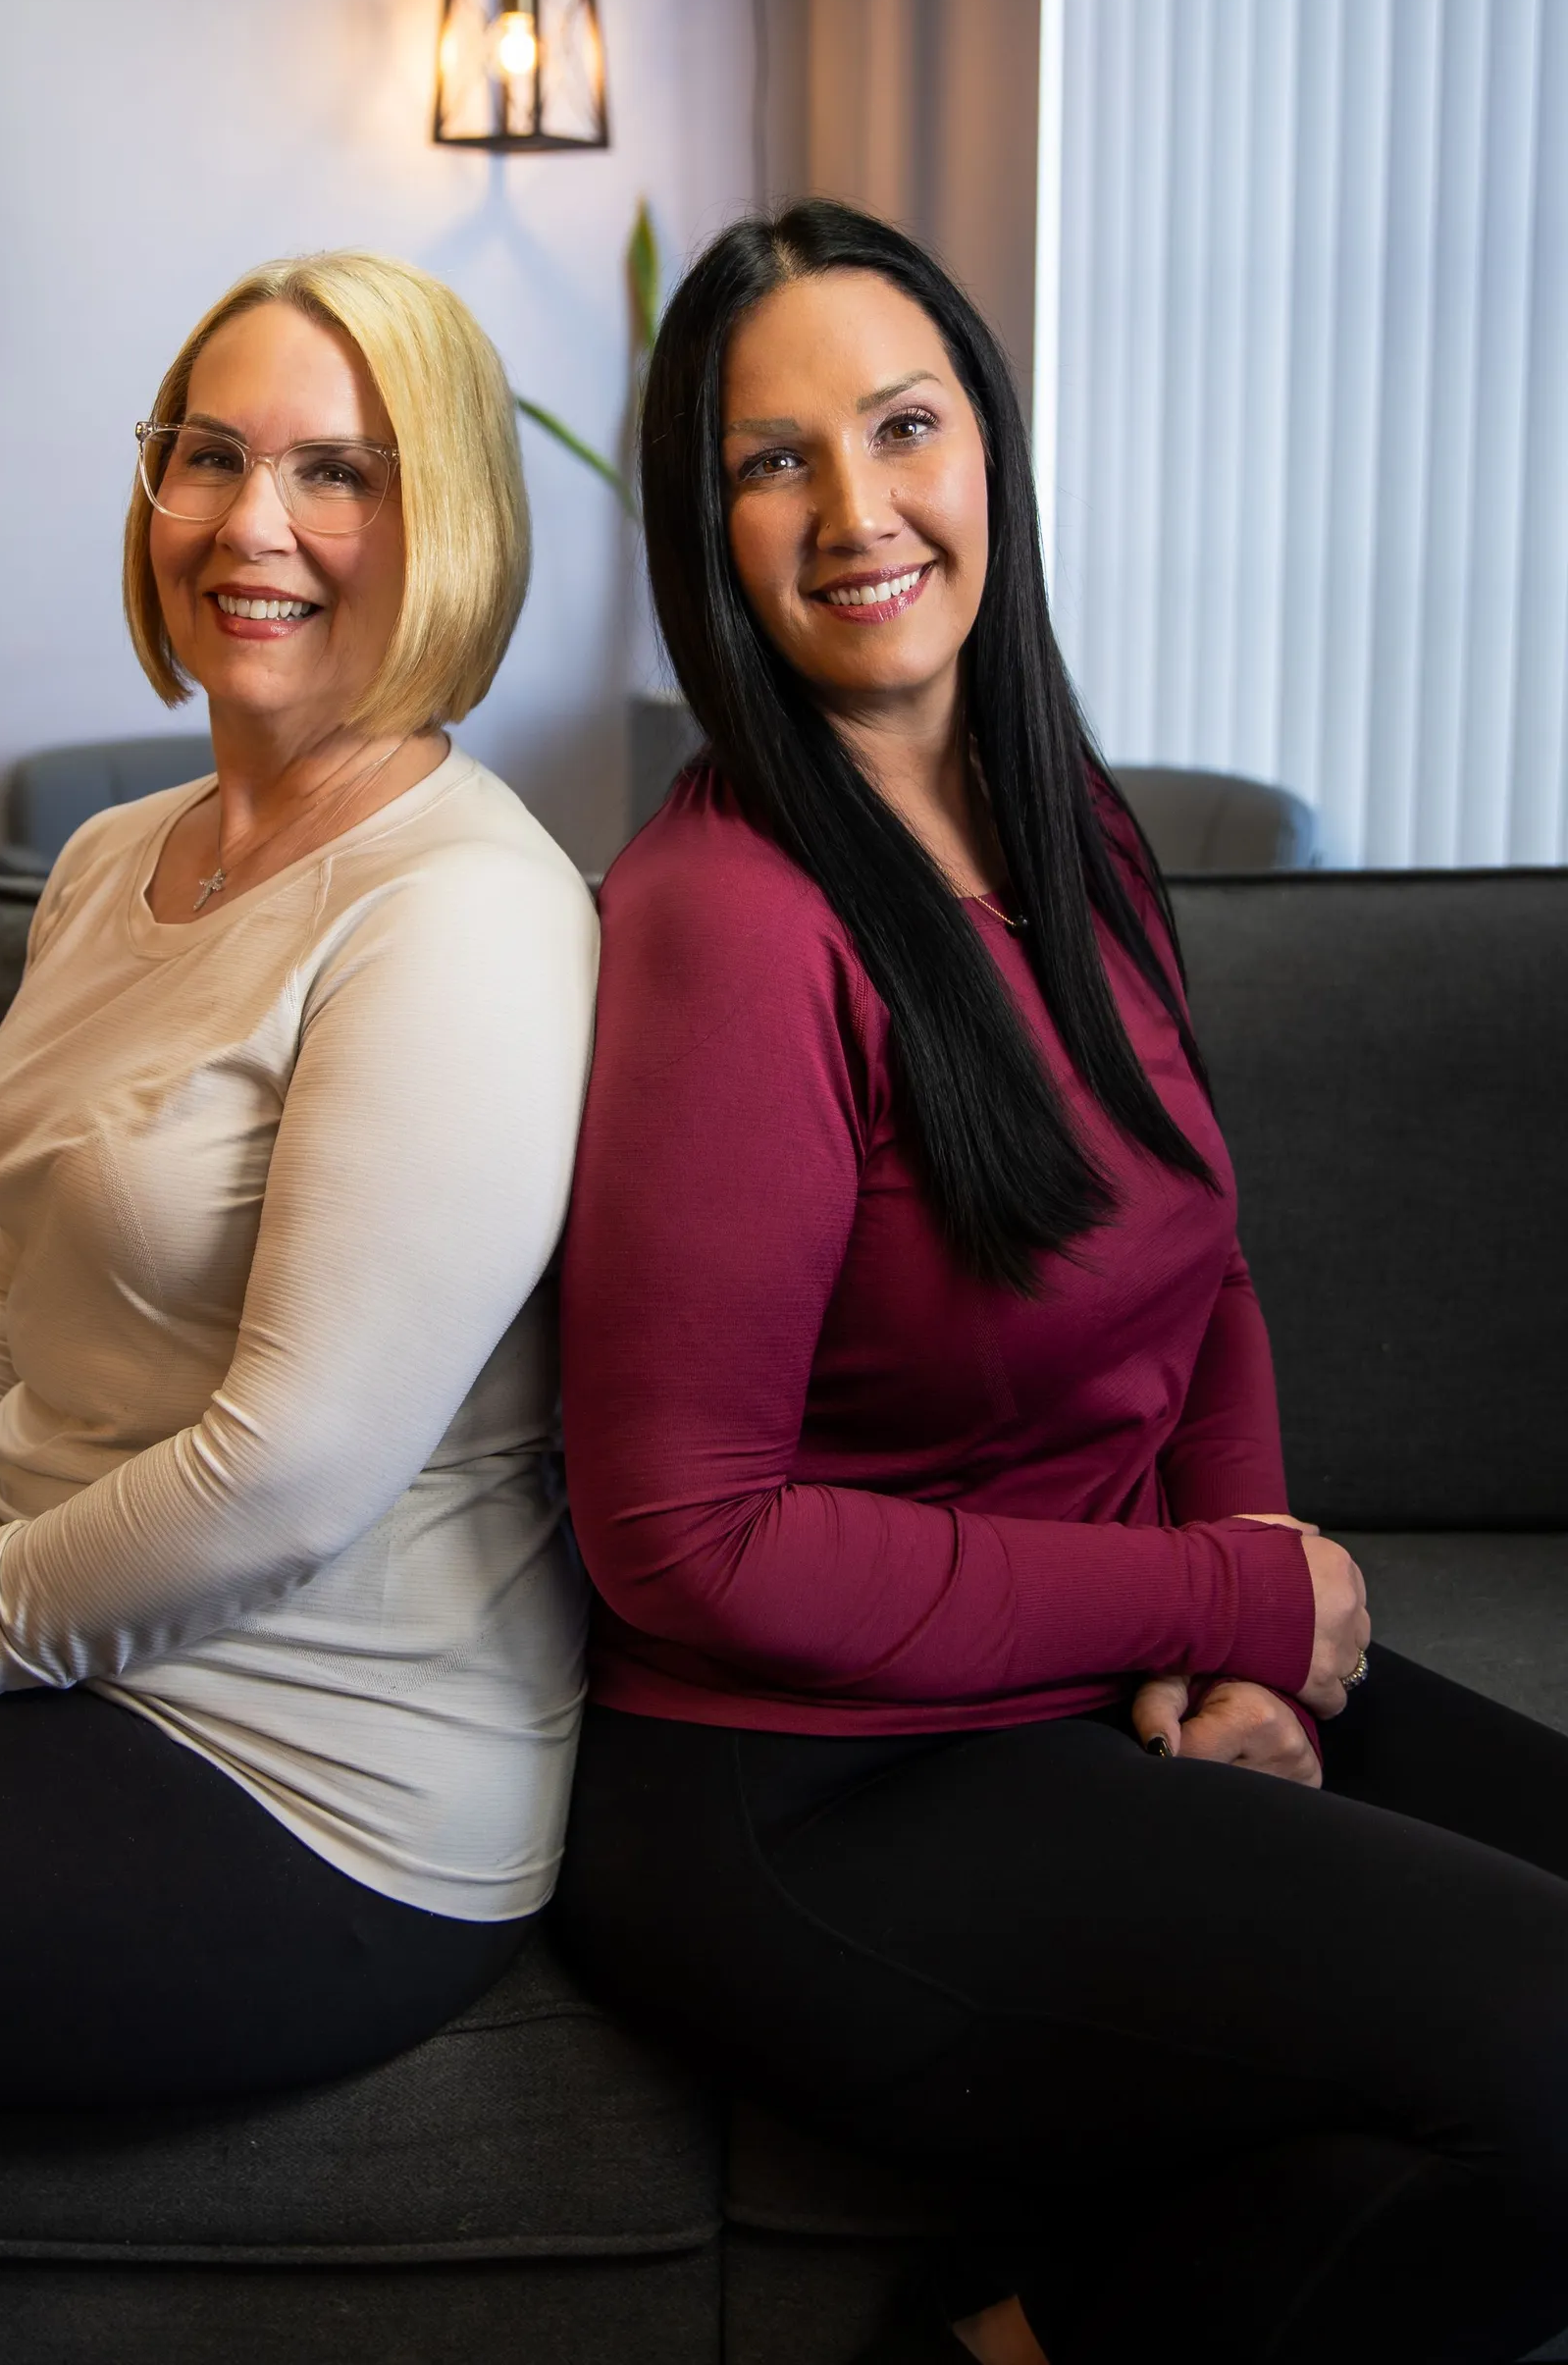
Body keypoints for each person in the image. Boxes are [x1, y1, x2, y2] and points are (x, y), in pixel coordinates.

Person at [552, 201, 1568, 2365]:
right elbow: (679, 1539)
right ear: (703, 531)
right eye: (770, 461)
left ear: (985, 450)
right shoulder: (725, 923)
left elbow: (1197, 1281)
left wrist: (1255, 1665)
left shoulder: (1072, 828)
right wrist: (1226, 1604)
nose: (855, 511)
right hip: (807, 1792)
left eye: (901, 426)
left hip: (1097, 1689)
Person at [0, 252, 598, 2165]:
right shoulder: (114, 857)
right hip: (49, 1640)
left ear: (449, 519)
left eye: (339, 472)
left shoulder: (463, 912)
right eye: (207, 455)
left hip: (299, 1781)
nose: (251, 524)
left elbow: (284, 1478)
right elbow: (16, 1294)